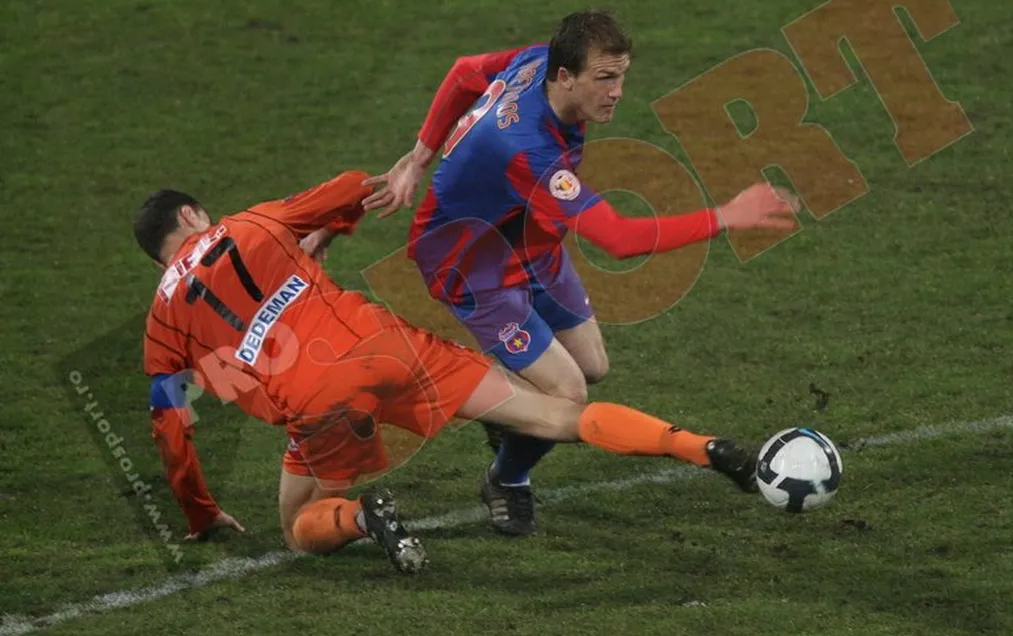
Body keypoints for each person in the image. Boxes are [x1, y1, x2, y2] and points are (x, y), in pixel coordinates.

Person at [134, 170, 787, 573]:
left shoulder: (163, 322)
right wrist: (333, 226)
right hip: (387, 344)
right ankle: (702, 447)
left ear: (158, 253)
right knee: (557, 414)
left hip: (318, 398)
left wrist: (199, 511)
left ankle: (363, 518)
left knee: (300, 528)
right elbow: (355, 184)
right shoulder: (252, 223)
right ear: (192, 215)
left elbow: (170, 425)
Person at [361, 10, 800, 536]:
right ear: (566, 76)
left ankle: (510, 410)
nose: (617, 92)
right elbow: (618, 239)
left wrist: (417, 157)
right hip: (473, 269)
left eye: (622, 76)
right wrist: (726, 216)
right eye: (605, 78)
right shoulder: (527, 149)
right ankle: (507, 478)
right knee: (567, 393)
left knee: (592, 365)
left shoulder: (535, 62)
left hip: (531, 240)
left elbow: (463, 72)